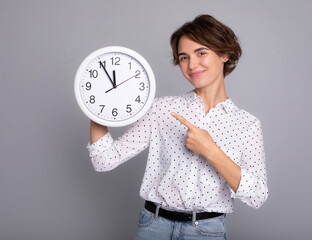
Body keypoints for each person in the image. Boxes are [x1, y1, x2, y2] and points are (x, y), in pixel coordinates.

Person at [88, 14, 268, 240]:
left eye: (201, 53)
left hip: (205, 232)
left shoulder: (247, 125)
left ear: (224, 54)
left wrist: (211, 151)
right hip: (153, 226)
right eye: (184, 57)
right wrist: (95, 107)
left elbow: (257, 196)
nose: (192, 64)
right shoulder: (162, 109)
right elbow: (104, 161)